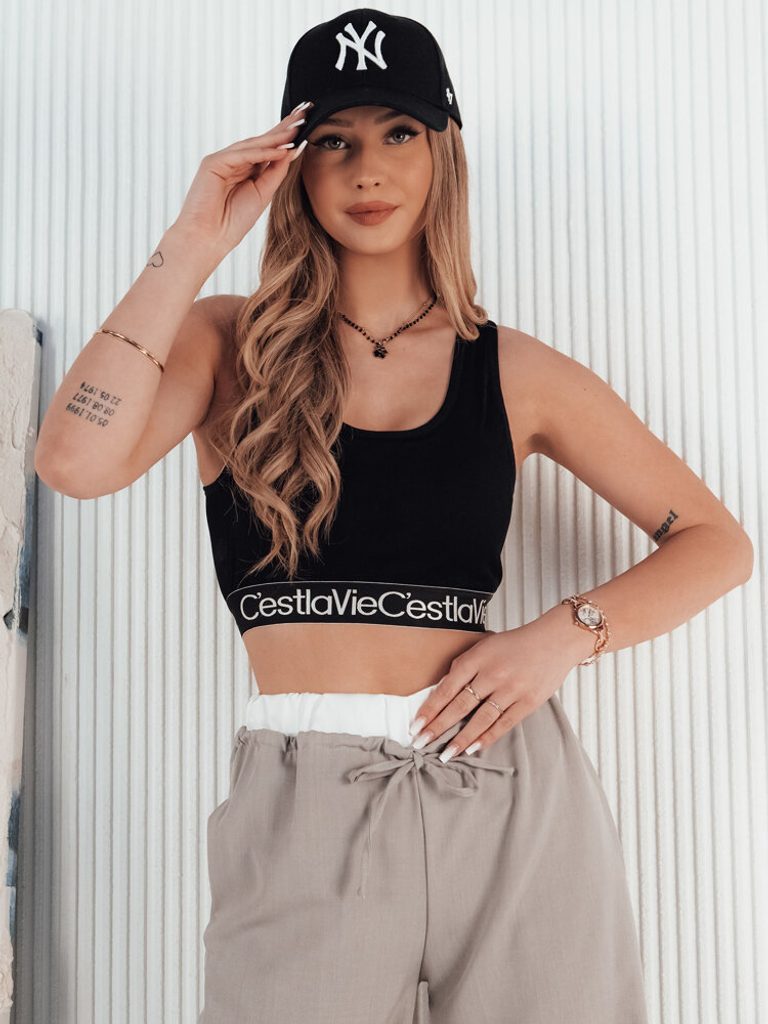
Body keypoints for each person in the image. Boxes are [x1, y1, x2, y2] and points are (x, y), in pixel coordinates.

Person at [34, 8, 753, 1024]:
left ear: (441, 150)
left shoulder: (513, 369)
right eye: (333, 140)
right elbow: (72, 461)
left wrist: (561, 636)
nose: (367, 169)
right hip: (304, 798)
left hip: (508, 788)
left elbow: (718, 543)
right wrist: (192, 242)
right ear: (292, 166)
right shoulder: (228, 343)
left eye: (398, 132)